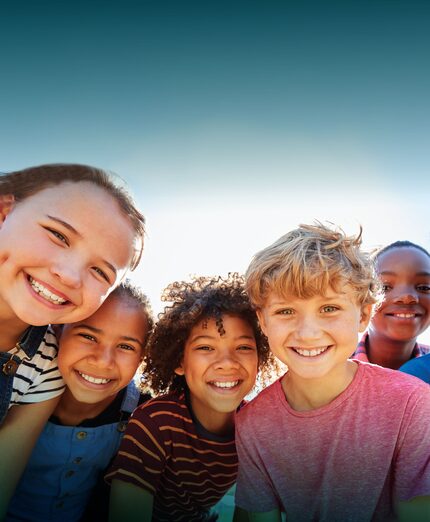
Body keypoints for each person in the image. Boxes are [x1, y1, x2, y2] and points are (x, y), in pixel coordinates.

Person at [235, 223, 430, 522]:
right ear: (262, 321)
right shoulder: (252, 424)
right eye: (286, 311)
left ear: (364, 314)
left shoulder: (412, 402)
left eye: (329, 308)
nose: (308, 333)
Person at [0, 163, 145, 517]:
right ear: (4, 212)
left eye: (100, 271)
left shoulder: (45, 367)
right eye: (58, 235)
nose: (68, 275)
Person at [107, 274, 276, 522]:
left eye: (243, 347)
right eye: (206, 348)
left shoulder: (256, 429)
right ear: (179, 361)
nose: (227, 363)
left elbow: (251, 510)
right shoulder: (156, 422)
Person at [6, 281, 153, 521]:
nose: (103, 361)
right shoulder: (18, 385)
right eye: (88, 336)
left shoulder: (143, 414)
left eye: (126, 346)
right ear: (56, 331)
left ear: (142, 358)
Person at [353, 240, 430, 369]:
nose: (407, 297)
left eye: (423, 287)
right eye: (385, 287)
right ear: (362, 297)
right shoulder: (329, 366)